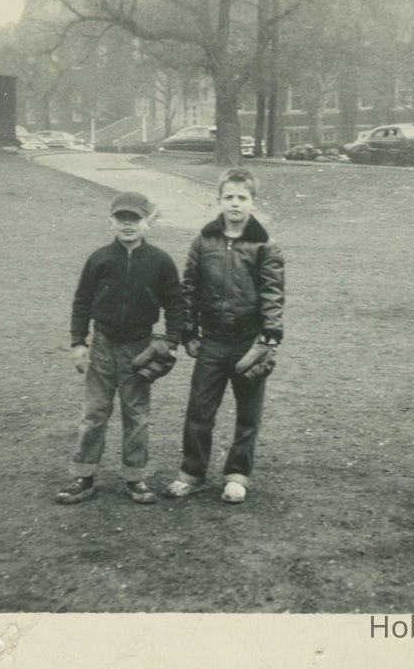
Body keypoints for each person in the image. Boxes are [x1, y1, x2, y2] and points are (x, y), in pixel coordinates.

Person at [163, 168, 284, 504]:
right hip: (212, 340)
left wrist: (269, 337)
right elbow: (190, 288)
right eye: (229, 197)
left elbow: (273, 293)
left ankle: (237, 475)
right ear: (218, 200)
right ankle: (192, 473)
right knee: (199, 409)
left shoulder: (265, 245)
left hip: (249, 341)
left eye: (242, 198)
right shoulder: (203, 241)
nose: (235, 203)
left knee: (248, 414)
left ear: (253, 203)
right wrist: (190, 331)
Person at [57, 191, 185, 505]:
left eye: (135, 219)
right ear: (111, 222)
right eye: (121, 218)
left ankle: (135, 478)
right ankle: (84, 476)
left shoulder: (160, 261)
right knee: (94, 413)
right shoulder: (99, 258)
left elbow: (175, 304)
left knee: (136, 415)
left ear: (147, 223)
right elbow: (82, 302)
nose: (128, 225)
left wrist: (171, 341)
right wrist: (77, 342)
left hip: (140, 348)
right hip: (102, 344)